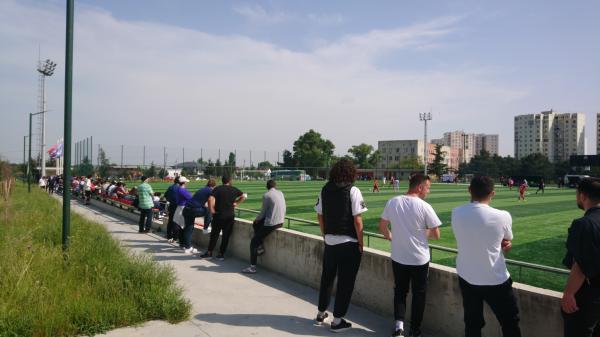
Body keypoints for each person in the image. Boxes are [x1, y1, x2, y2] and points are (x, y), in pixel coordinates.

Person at [451, 176, 522, 337]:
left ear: (469, 190)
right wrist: (506, 245)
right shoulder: (502, 215)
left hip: (466, 275)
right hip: (494, 278)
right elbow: (506, 239)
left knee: (472, 323)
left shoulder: (456, 212)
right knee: (510, 322)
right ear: (492, 193)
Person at [378, 173, 441, 337]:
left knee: (400, 291)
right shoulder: (424, 206)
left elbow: (383, 227)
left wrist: (392, 237)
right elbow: (436, 234)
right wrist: (420, 233)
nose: (428, 191)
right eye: (428, 188)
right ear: (420, 187)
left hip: (398, 256)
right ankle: (415, 330)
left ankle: (399, 326)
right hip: (419, 259)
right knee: (419, 294)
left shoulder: (393, 201)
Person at [314, 159, 366, 333]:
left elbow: (319, 216)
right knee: (345, 282)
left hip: (330, 242)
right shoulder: (353, 190)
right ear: (351, 173)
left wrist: (325, 235)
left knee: (327, 278)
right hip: (348, 244)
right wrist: (361, 242)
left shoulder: (325, 189)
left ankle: (321, 313)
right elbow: (358, 221)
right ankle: (337, 321)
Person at [562, 178, 600, 337]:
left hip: (590, 296)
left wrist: (569, 293)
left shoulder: (583, 224)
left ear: (583, 196)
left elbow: (580, 264)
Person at [242, 179, 286, 274]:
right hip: (281, 221)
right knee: (256, 225)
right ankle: (260, 245)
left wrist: (257, 219)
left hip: (272, 223)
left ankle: (252, 267)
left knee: (253, 242)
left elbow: (263, 213)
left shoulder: (266, 195)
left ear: (267, 186)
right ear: (275, 186)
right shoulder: (281, 193)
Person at [201, 175, 246, 260]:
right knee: (226, 236)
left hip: (218, 215)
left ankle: (209, 252)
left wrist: (212, 210)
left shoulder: (217, 189)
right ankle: (221, 254)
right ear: (230, 180)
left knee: (214, 235)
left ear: (222, 181)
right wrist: (236, 203)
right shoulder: (234, 189)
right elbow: (243, 196)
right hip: (229, 216)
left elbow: (210, 199)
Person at [176, 177, 197, 254]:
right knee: (187, 227)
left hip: (180, 208)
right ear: (184, 182)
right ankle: (188, 246)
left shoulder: (179, 189)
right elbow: (191, 198)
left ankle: (182, 244)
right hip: (184, 208)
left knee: (182, 227)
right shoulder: (182, 190)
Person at [164, 176, 180, 243]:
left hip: (171, 206)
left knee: (170, 221)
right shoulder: (179, 188)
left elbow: (165, 195)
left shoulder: (171, 187)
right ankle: (175, 237)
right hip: (177, 206)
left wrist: (170, 200)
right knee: (176, 222)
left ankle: (169, 236)